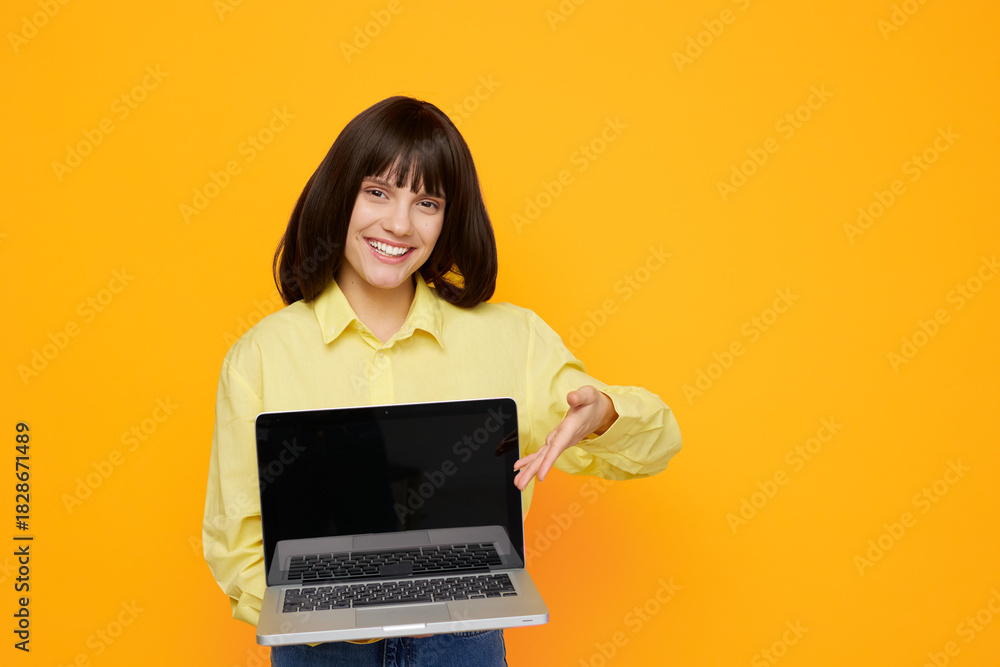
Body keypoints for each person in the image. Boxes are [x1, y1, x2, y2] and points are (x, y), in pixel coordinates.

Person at [202, 95, 682, 666]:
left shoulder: (512, 340)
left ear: (448, 219)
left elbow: (658, 444)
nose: (399, 224)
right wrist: (328, 611)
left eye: (426, 202)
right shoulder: (261, 356)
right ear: (339, 196)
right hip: (320, 647)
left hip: (463, 645)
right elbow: (234, 543)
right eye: (377, 192)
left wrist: (602, 413)